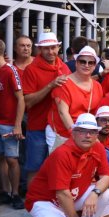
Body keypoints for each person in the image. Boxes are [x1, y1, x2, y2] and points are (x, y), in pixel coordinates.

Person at [26, 114, 109, 217]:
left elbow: (107, 177)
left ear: (96, 134)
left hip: (73, 195)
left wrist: (94, 193)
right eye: (82, 131)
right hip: (45, 201)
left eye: (92, 132)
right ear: (74, 133)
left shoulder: (98, 148)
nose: (87, 135)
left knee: (104, 194)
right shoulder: (62, 154)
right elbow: (62, 193)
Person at [22, 32, 71, 184]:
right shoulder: (31, 69)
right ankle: (33, 205)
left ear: (58, 47)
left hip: (59, 128)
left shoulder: (63, 66)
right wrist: (50, 85)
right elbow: (27, 102)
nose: (51, 52)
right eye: (46, 48)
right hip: (38, 127)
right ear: (39, 50)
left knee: (59, 169)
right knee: (35, 169)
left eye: (53, 47)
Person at [47, 46, 103, 150]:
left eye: (90, 62)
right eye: (82, 61)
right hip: (62, 133)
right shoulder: (64, 83)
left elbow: (95, 114)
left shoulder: (97, 86)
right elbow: (63, 113)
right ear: (76, 63)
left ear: (95, 66)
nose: (86, 65)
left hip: (84, 136)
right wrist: (74, 134)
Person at [0, 38, 26, 209]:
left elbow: (20, 98)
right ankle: (6, 191)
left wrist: (17, 124)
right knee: (0, 157)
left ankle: (15, 193)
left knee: (12, 158)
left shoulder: (9, 70)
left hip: (8, 122)